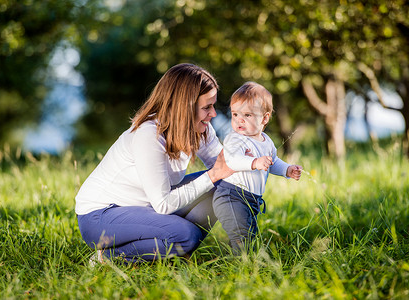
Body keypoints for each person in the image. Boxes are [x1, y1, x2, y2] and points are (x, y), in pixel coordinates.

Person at [75, 63, 234, 263]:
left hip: (146, 207)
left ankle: (177, 251)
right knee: (186, 235)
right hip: (101, 215)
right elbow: (163, 204)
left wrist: (255, 161)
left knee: (222, 186)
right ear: (184, 108)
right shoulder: (149, 135)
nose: (213, 114)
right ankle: (107, 256)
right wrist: (213, 176)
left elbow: (226, 168)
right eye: (206, 107)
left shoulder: (200, 128)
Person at [212, 81, 302, 254]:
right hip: (231, 196)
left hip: (251, 200)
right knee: (241, 235)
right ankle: (243, 266)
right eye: (235, 114)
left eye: (247, 115)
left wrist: (287, 170)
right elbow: (232, 161)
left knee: (249, 234)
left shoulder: (266, 141)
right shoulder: (234, 139)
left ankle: (244, 261)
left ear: (265, 118)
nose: (239, 120)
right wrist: (254, 162)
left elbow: (272, 161)